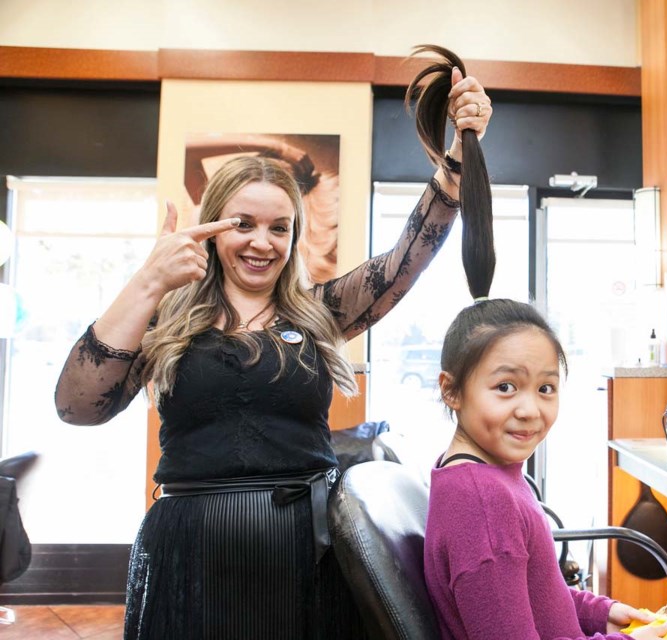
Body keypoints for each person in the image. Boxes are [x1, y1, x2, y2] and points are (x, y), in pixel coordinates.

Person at [53, 46, 492, 640]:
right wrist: (149, 280)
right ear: (212, 225)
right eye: (243, 224)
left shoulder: (318, 312)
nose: (262, 242)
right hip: (189, 558)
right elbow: (78, 407)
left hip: (306, 556)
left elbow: (401, 266)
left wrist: (456, 161)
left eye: (279, 227)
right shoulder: (163, 314)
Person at [421, 72, 667, 640]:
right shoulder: (481, 502)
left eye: (546, 388)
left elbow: (530, 591)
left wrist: (600, 612)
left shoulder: (488, 477)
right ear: (451, 390)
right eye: (505, 387)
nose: (530, 409)